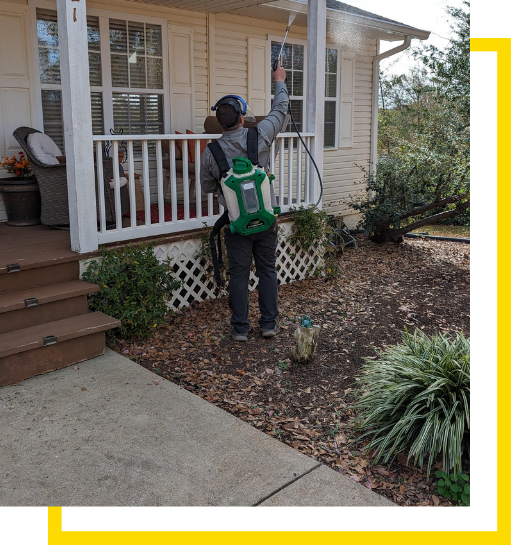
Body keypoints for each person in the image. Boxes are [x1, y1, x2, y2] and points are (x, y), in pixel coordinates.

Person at [200, 62, 289, 342]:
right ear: (241, 117)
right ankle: (268, 325)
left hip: (236, 225)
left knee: (239, 274)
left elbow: (206, 187)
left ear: (220, 121)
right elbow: (281, 110)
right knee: (267, 270)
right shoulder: (259, 135)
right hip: (265, 222)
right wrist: (279, 81)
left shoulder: (210, 152)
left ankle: (240, 328)